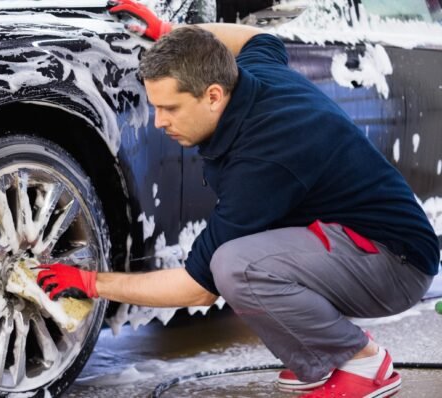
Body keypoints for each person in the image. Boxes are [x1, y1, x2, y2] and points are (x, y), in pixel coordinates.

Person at [36, 1, 440, 397]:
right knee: (239, 260)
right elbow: (260, 37)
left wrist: (92, 282)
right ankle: (320, 362)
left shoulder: (263, 160)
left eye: (170, 108)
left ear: (213, 95)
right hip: (356, 242)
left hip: (396, 265)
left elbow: (198, 288)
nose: (159, 122)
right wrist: (172, 36)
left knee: (235, 266)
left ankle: (365, 364)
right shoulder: (251, 74)